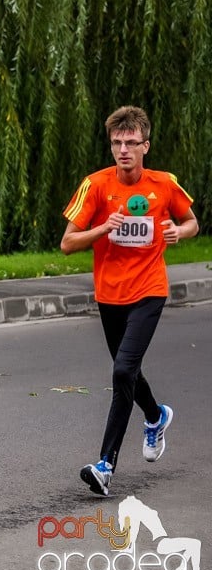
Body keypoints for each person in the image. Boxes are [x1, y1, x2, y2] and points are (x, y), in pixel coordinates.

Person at [61, 105, 198, 496]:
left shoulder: (165, 184)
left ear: (145, 146)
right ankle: (155, 416)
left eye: (131, 143)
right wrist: (104, 227)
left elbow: (192, 222)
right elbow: (68, 243)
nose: (123, 150)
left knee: (122, 371)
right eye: (117, 143)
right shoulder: (96, 185)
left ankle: (105, 465)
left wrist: (179, 231)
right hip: (110, 294)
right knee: (128, 370)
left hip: (150, 289)